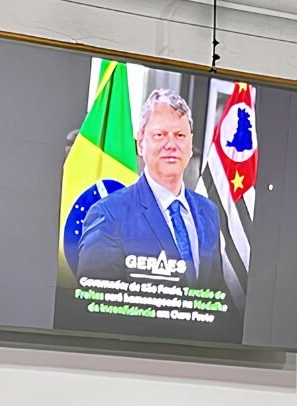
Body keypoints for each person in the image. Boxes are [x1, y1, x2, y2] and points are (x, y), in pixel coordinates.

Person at [76, 88, 225, 291]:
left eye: (180, 135)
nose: (171, 144)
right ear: (140, 144)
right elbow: (95, 302)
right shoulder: (109, 214)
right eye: (159, 134)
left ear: (190, 145)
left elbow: (215, 296)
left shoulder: (208, 212)